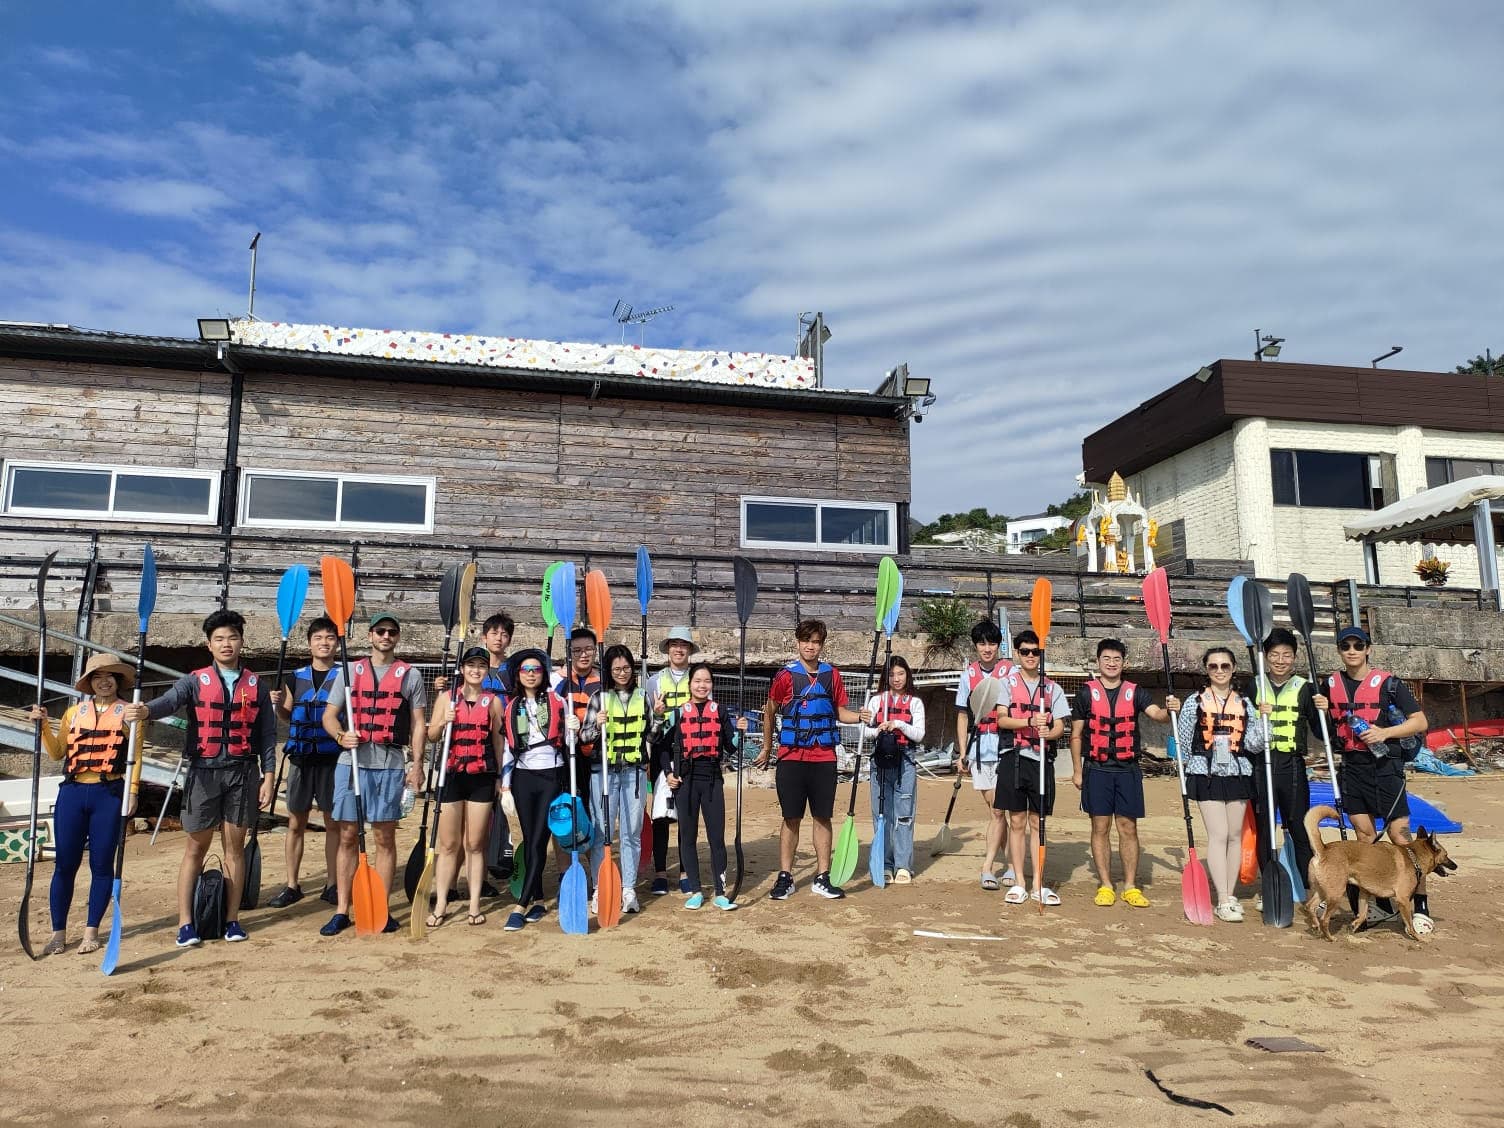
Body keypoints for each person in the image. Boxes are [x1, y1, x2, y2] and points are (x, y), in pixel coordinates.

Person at [125, 609, 276, 947]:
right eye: (219, 639)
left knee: (234, 850)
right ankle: (185, 924)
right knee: (196, 847)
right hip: (203, 773)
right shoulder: (193, 681)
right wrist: (146, 710)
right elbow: (169, 701)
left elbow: (266, 735)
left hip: (241, 772)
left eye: (232, 638)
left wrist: (268, 776)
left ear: (241, 642)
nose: (226, 644)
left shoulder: (256, 686)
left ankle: (232, 920)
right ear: (209, 645)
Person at [27, 653, 144, 955]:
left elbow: (136, 756)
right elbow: (56, 753)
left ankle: (92, 930)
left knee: (101, 864)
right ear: (89, 682)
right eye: (96, 676)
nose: (103, 681)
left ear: (118, 680)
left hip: (109, 793)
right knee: (65, 864)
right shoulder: (73, 713)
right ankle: (58, 932)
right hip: (73, 794)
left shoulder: (130, 713)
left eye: (109, 676)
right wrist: (42, 727)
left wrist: (132, 791)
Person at [319, 613, 426, 937]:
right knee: (348, 835)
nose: (386, 636)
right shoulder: (350, 672)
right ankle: (342, 909)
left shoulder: (411, 675)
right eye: (380, 631)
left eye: (392, 632)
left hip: (390, 765)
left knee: (384, 837)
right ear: (370, 636)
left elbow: (420, 723)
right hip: (351, 764)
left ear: (397, 637)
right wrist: (340, 736)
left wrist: (417, 765)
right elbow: (329, 716)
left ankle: (380, 905)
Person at [1319, 625, 1431, 930]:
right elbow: (1324, 732)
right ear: (1340, 650)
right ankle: (1375, 906)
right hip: (1353, 767)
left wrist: (1385, 732)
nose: (1352, 651)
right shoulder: (1330, 685)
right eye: (1346, 646)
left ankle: (1420, 904)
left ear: (1368, 649)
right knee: (1365, 837)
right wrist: (1321, 711)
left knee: (1399, 836)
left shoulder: (1389, 685)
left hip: (1386, 767)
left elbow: (1419, 721)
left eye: (1358, 645)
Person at [755, 619, 871, 901]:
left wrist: (860, 716)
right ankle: (785, 876)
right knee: (791, 817)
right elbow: (769, 711)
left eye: (816, 641)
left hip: (823, 758)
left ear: (822, 644)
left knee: (822, 816)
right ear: (798, 642)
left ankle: (822, 876)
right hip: (791, 757)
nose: (810, 646)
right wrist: (767, 747)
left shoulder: (832, 675)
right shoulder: (785, 676)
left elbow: (841, 712)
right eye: (806, 641)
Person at [1069, 638, 1177, 908]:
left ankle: (1130, 885)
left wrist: (1169, 710)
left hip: (1127, 769)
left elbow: (1157, 714)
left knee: (1128, 827)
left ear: (1124, 663)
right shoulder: (1086, 693)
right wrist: (1076, 771)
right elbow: (1076, 735)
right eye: (1107, 659)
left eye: (1117, 659)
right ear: (1098, 662)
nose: (1112, 663)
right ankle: (1105, 884)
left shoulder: (1135, 692)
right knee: (1100, 827)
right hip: (1096, 769)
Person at [1174, 646, 1266, 922]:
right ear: (1207, 670)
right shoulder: (1195, 701)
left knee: (1235, 835)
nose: (1219, 671)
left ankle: (1230, 893)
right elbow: (1184, 738)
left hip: (1238, 771)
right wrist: (1185, 766)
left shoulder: (1245, 703)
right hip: (1206, 772)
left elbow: (1253, 743)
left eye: (1225, 666)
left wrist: (1265, 720)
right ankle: (1222, 899)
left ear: (1234, 668)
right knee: (1219, 834)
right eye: (1213, 666)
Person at [422, 647, 504, 927]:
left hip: (481, 777)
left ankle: (474, 905)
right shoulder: (447, 699)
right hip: (452, 776)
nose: (476, 670)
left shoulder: (493, 702)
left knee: (474, 844)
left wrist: (500, 777)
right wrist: (444, 723)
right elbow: (431, 735)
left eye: (481, 666)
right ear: (463, 669)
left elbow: (497, 742)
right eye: (471, 665)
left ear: (486, 671)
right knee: (448, 845)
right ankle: (442, 903)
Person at [266, 617, 342, 909]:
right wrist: (277, 704)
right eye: (318, 638)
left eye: (329, 638)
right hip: (300, 758)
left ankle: (332, 884)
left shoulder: (346, 675)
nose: (324, 643)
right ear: (309, 643)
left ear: (336, 642)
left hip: (332, 759)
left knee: (332, 823)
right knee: (296, 823)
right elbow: (286, 716)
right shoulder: (294, 677)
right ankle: (291, 885)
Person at [500, 649, 575, 931]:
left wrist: (573, 728)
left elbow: (570, 741)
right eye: (525, 670)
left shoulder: (557, 700)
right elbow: (508, 748)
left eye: (536, 669)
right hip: (522, 776)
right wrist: (505, 784)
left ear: (543, 674)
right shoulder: (512, 706)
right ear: (518, 675)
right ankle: (539, 899)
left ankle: (520, 905)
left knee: (538, 841)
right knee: (529, 837)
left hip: (550, 774)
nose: (531, 673)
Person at [994, 630, 1070, 906]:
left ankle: (1038, 883)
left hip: (1041, 761)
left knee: (1038, 822)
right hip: (1014, 759)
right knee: (1016, 821)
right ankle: (1019, 882)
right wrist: (1028, 723)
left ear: (1040, 654)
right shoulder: (1006, 684)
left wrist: (1048, 733)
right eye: (1024, 651)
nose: (1029, 656)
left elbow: (1060, 724)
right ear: (1016, 653)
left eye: (1034, 652)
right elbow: (1002, 719)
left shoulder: (1051, 688)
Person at [666, 663, 746, 910]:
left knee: (716, 837)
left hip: (711, 779)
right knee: (687, 837)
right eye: (697, 681)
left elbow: (731, 747)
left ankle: (720, 892)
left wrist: (740, 733)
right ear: (689, 684)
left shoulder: (719, 711)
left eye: (707, 681)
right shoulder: (677, 713)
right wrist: (669, 772)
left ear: (712, 684)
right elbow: (661, 747)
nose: (702, 685)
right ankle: (696, 890)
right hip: (686, 780)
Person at [1250, 627, 1322, 900]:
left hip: (1292, 767)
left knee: (1299, 827)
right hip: (1262, 764)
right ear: (1266, 657)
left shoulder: (1306, 689)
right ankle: (1269, 884)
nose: (1280, 660)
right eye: (1275, 655)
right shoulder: (1254, 686)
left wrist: (1322, 709)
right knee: (1265, 828)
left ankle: (1306, 886)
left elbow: (1319, 729)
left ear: (1294, 658)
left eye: (1287, 655)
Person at [953, 619, 1015, 891]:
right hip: (980, 748)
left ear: (999, 645)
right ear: (976, 646)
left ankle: (995, 867)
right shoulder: (968, 675)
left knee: (1001, 810)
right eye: (982, 643)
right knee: (995, 810)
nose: (987, 648)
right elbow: (963, 715)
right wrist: (962, 752)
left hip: (1006, 745)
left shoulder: (1010, 671)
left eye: (992, 643)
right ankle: (1009, 862)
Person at [862, 655, 926, 884]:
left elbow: (919, 733)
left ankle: (903, 865)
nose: (897, 679)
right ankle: (885, 863)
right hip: (880, 761)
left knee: (904, 814)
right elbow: (865, 732)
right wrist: (878, 729)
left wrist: (898, 724)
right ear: (885, 677)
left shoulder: (915, 703)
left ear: (907, 675)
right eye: (892, 675)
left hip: (905, 761)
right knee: (882, 813)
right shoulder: (877, 701)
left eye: (900, 674)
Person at [596, 643, 649, 914]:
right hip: (604, 773)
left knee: (631, 833)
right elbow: (583, 738)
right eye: (616, 668)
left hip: (634, 772)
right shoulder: (600, 698)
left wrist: (661, 716)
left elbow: (654, 736)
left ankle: (628, 888)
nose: (622, 673)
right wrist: (595, 725)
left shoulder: (643, 697)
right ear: (608, 670)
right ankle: (600, 888)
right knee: (603, 833)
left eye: (626, 668)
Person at [645, 626, 697, 895]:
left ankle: (686, 871)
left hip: (690, 751)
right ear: (667, 649)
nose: (679, 649)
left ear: (689, 649)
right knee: (661, 816)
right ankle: (661, 872)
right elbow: (648, 720)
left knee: (687, 814)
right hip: (662, 751)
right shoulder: (654, 681)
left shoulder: (697, 678)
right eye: (674, 644)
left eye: (684, 645)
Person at [555, 627, 603, 902]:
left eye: (588, 650)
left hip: (594, 759)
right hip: (565, 756)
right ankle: (565, 872)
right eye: (577, 651)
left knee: (591, 816)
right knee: (564, 813)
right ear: (569, 653)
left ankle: (596, 871)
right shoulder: (559, 681)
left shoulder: (603, 681)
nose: (583, 655)